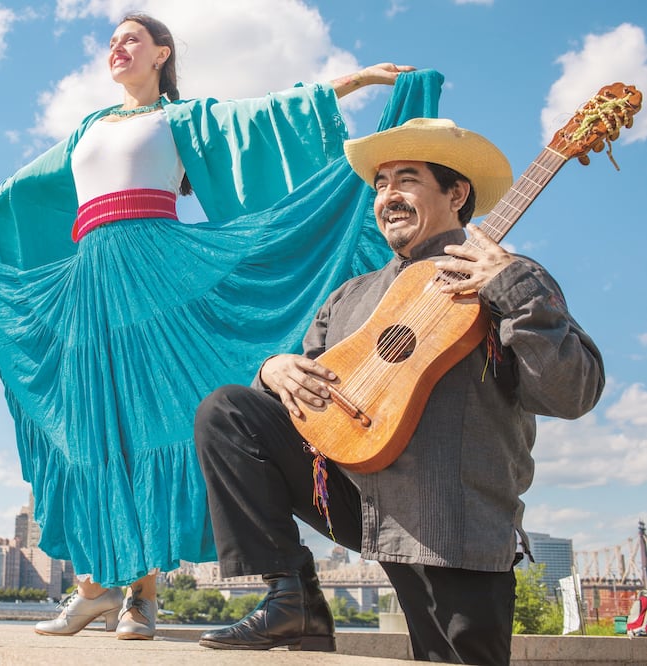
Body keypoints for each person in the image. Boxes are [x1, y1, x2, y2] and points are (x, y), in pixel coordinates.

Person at [0, 12, 415, 640]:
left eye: (131, 38)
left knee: (148, 419)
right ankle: (99, 587)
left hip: (156, 271)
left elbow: (264, 114)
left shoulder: (179, 117)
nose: (117, 47)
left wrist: (354, 83)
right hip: (90, 283)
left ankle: (141, 596)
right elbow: (30, 179)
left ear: (161, 53)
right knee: (96, 426)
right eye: (112, 40)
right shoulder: (89, 126)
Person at [194, 117, 605, 663]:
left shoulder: (512, 275)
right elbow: (290, 411)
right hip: (353, 495)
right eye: (380, 184)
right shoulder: (350, 296)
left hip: (451, 520)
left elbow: (572, 393)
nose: (387, 195)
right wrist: (272, 372)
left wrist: (510, 284)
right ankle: (292, 596)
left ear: (457, 192)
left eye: (405, 178)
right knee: (227, 410)